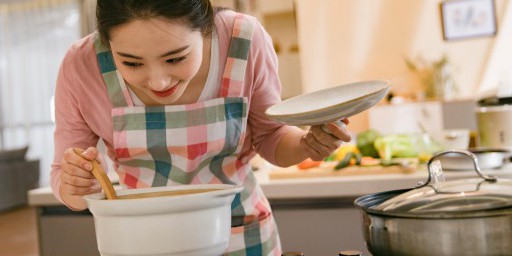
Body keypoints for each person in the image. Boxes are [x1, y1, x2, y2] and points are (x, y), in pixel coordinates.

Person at [51, 0, 351, 255]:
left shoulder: (242, 40)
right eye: (131, 63)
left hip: (239, 235)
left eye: (175, 58)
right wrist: (76, 183)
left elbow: (271, 137)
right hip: (143, 242)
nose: (158, 81)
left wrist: (307, 145)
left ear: (206, 28)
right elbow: (65, 179)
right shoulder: (81, 65)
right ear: (105, 41)